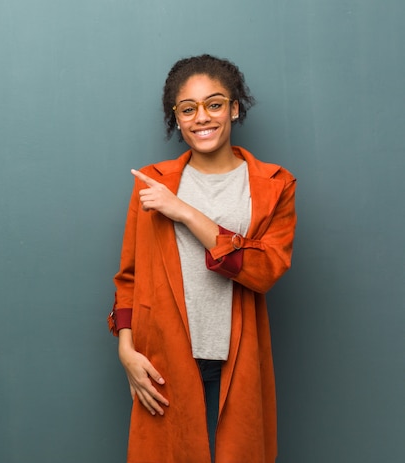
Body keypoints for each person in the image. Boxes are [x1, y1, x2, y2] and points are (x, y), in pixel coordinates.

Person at [107, 54, 297, 463]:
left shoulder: (273, 185)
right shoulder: (152, 183)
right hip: (164, 355)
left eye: (214, 104)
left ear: (233, 108)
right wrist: (126, 351)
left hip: (237, 354)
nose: (202, 118)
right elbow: (129, 277)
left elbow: (265, 269)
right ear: (176, 118)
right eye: (187, 108)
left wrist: (186, 213)